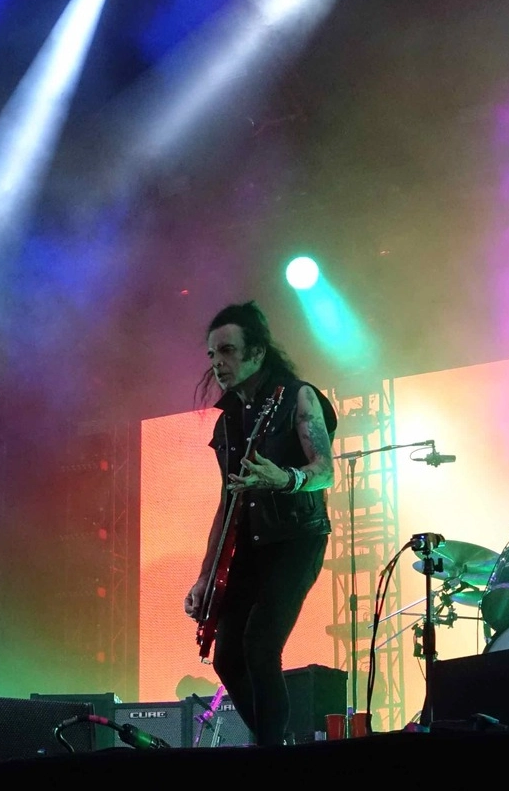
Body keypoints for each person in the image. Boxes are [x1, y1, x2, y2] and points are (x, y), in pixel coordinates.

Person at [183, 301, 337, 747]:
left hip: (296, 539)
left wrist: (286, 479)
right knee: (227, 659)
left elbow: (325, 469)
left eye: (227, 351)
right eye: (212, 355)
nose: (217, 364)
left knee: (260, 645)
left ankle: (272, 754)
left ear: (257, 352)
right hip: (248, 545)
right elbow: (227, 502)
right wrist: (206, 576)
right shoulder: (229, 419)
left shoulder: (298, 396)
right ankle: (278, 743)